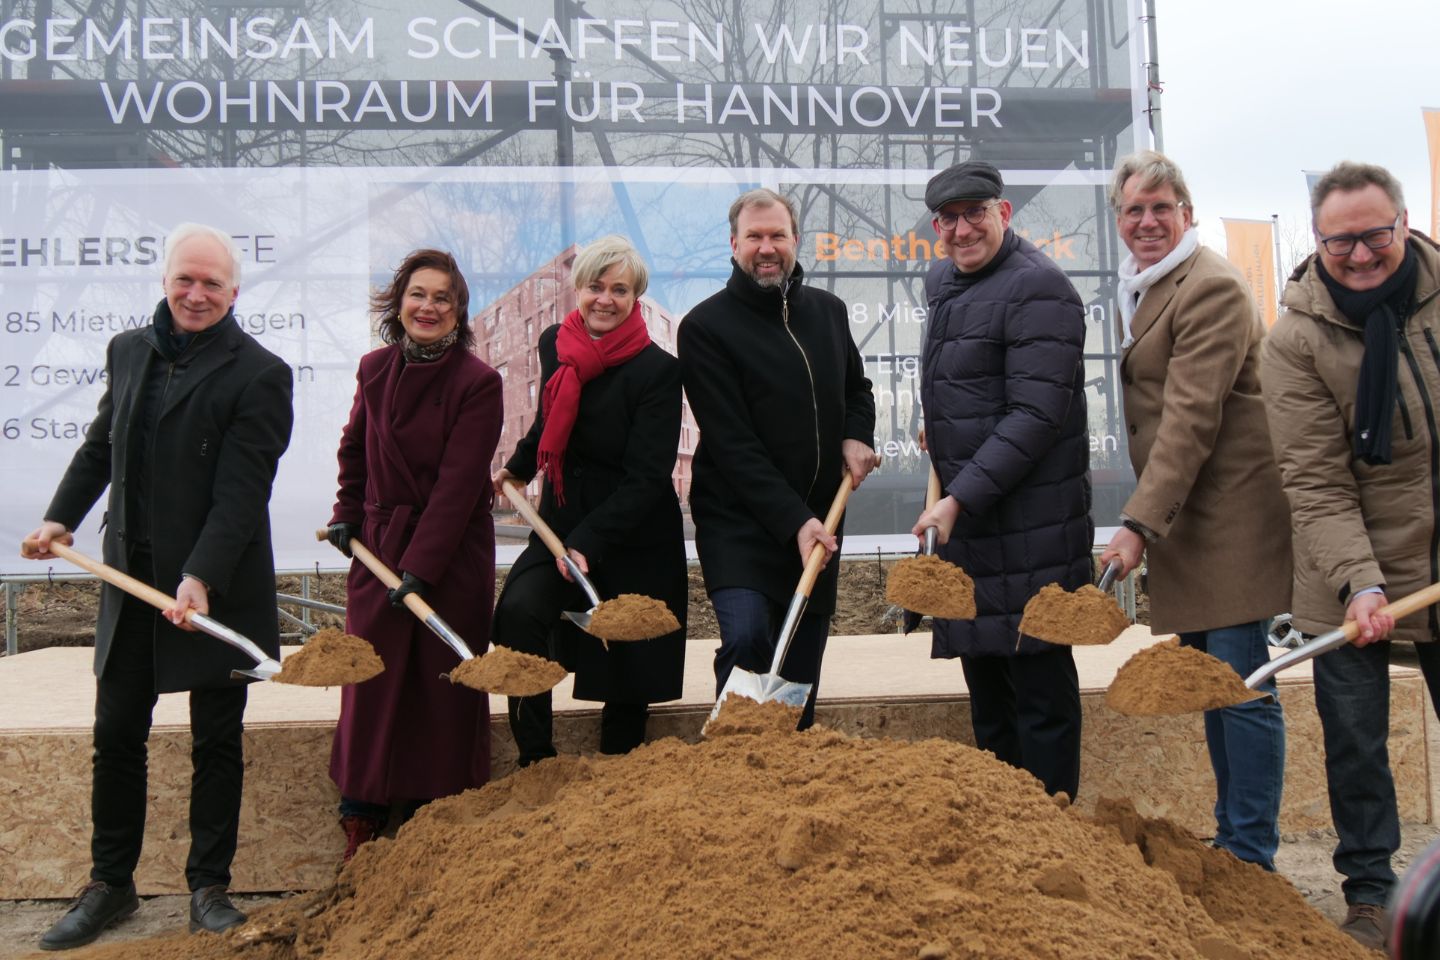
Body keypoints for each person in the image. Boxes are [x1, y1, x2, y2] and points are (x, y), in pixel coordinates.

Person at [23, 223, 294, 950]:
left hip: (217, 585)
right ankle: (110, 884)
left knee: (217, 739)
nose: (196, 294)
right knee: (116, 734)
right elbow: (100, 446)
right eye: (185, 279)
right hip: (132, 580)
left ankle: (209, 887)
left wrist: (199, 576)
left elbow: (242, 494)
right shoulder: (128, 351)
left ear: (234, 291)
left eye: (212, 283)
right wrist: (59, 517)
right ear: (166, 280)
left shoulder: (260, 374)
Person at [1262, 160, 1440, 951]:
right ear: (1317, 240)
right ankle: (1370, 891)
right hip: (1345, 566)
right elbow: (1315, 480)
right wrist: (1360, 584)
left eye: (1375, 236)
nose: (1361, 255)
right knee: (1357, 741)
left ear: (1404, 222)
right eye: (1341, 243)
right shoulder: (1295, 338)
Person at [1097, 150, 1290, 870]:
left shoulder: (1210, 287)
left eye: (1162, 208)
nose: (1147, 221)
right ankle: (1236, 839)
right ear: (1119, 219)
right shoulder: (1147, 286)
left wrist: (1138, 524)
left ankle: (1250, 852)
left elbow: (1188, 419)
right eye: (1134, 210)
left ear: (1187, 213)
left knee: (1241, 686)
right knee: (1216, 685)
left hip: (1231, 517)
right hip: (1194, 516)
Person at [910, 160, 1091, 799]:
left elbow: (1035, 415)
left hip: (1032, 527)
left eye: (975, 214)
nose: (962, 230)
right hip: (976, 529)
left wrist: (957, 498)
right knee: (988, 696)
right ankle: (1008, 831)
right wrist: (939, 428)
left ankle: (1054, 829)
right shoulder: (944, 282)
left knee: (1039, 695)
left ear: (1004, 213)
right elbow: (969, 381)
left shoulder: (1040, 288)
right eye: (949, 219)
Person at [325, 249, 502, 861]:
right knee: (370, 681)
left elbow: (458, 486)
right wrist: (347, 511)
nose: (428, 307)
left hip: (448, 556)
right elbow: (354, 448)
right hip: (379, 548)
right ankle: (362, 810)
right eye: (418, 295)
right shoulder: (374, 369)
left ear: (459, 311)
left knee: (440, 686)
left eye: (442, 298)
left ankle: (437, 812)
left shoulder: (478, 383)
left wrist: (421, 569)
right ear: (399, 302)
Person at [678, 189, 878, 731]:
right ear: (734, 244)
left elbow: (856, 389)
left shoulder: (829, 313)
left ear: (795, 240)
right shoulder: (705, 328)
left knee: (798, 673)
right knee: (747, 639)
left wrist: (857, 434)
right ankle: (733, 762)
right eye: (754, 237)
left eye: (777, 236)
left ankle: (792, 770)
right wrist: (795, 521)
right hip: (740, 522)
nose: (766, 248)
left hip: (821, 520)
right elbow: (732, 443)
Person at [491, 235, 686, 765]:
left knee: (626, 659)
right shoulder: (555, 343)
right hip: (562, 520)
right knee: (520, 611)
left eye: (619, 289)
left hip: (633, 533)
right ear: (578, 288)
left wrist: (589, 543)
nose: (605, 299)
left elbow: (647, 477)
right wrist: (517, 467)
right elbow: (550, 420)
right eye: (595, 286)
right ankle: (537, 759)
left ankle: (620, 772)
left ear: (635, 297)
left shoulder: (658, 371)